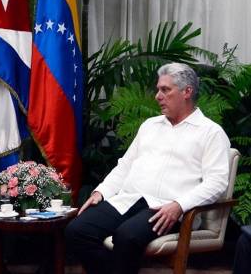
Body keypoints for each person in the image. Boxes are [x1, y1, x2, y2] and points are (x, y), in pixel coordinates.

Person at [65, 63, 230, 274]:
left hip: (168, 209)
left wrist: (179, 204)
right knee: (76, 231)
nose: (157, 96)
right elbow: (125, 165)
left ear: (187, 92)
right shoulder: (150, 125)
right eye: (158, 89)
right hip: (130, 199)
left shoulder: (211, 133)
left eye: (165, 90)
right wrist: (102, 191)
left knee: (127, 236)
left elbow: (217, 183)